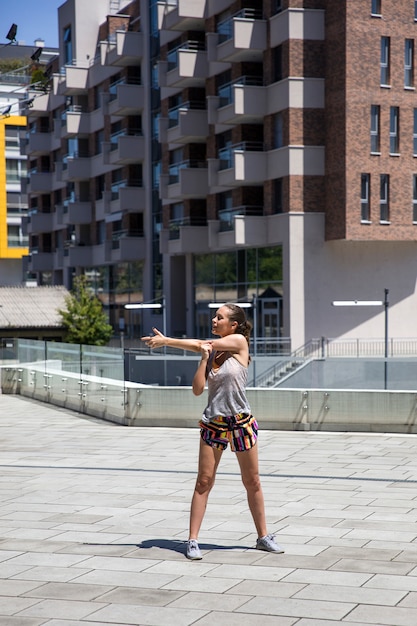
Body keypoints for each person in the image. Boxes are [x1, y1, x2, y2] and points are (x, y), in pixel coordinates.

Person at [141, 303, 284, 560]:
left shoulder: (239, 342)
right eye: (215, 317)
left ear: (234, 325)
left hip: (241, 423)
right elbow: (197, 390)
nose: (214, 320)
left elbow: (199, 343)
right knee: (204, 481)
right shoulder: (211, 352)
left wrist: (166, 341)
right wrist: (204, 359)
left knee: (252, 481)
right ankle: (193, 540)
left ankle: (263, 536)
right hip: (214, 424)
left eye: (220, 317)